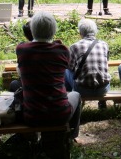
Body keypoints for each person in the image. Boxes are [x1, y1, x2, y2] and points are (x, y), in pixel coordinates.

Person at [16, 11, 81, 141]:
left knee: (16, 86)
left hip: (31, 116)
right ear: (54, 29)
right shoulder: (62, 50)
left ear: (32, 29)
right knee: (76, 95)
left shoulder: (22, 49)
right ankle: (71, 135)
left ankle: (31, 138)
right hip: (59, 114)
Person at [65, 19, 111, 109]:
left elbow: (70, 67)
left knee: (66, 71)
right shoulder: (104, 44)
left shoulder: (75, 46)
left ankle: (68, 100)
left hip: (82, 90)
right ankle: (102, 102)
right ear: (95, 31)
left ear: (80, 32)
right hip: (103, 89)